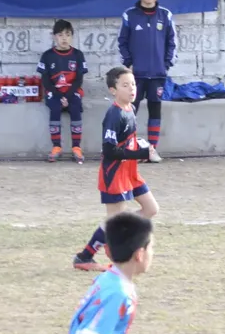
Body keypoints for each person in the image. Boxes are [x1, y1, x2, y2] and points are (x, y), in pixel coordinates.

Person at [72, 66, 161, 272]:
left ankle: (120, 239)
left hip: (130, 172)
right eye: (125, 85)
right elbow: (110, 150)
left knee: (151, 209)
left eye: (133, 84)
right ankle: (84, 256)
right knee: (114, 222)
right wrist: (140, 154)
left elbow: (126, 143)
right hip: (114, 174)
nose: (132, 89)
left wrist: (142, 148)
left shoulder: (130, 109)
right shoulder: (114, 114)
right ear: (113, 90)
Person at [117, 0, 176, 150]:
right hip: (136, 76)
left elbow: (172, 42)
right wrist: (128, 64)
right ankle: (129, 147)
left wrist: (166, 65)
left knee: (155, 109)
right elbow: (122, 42)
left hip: (158, 74)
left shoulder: (166, 15)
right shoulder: (129, 15)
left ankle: (152, 149)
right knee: (131, 110)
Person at [37, 19, 88, 164]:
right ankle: (56, 147)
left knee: (76, 107)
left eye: (67, 34)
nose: (64, 38)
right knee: (54, 108)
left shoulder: (78, 55)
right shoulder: (47, 56)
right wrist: (59, 96)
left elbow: (79, 79)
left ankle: (76, 148)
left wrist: (68, 95)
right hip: (55, 92)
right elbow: (45, 80)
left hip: (72, 92)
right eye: (60, 35)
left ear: (72, 36)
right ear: (54, 37)